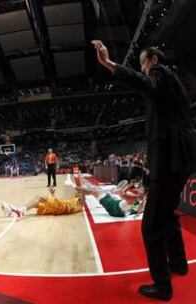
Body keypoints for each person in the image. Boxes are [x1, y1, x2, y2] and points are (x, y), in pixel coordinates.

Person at [92, 40, 196, 301]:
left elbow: (147, 83)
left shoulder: (160, 74)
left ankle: (162, 287)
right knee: (168, 215)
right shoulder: (174, 86)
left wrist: (109, 64)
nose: (143, 70)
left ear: (154, 61)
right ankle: (179, 263)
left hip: (169, 159)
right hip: (181, 159)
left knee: (150, 228)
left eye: (143, 64)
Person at [76, 178, 147, 218]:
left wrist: (128, 186)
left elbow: (122, 194)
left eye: (141, 189)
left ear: (144, 193)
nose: (139, 189)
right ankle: (82, 194)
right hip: (118, 208)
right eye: (140, 188)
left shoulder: (136, 199)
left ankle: (75, 188)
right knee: (96, 190)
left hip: (114, 208)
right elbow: (135, 210)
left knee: (95, 191)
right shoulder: (137, 200)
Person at [1, 186, 82, 218]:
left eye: (78, 193)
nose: (76, 192)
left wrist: (80, 189)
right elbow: (59, 205)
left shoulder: (79, 203)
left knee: (39, 196)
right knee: (36, 203)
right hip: (58, 207)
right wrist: (53, 194)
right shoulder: (74, 201)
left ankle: (21, 211)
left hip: (59, 207)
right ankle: (13, 210)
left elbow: (61, 207)